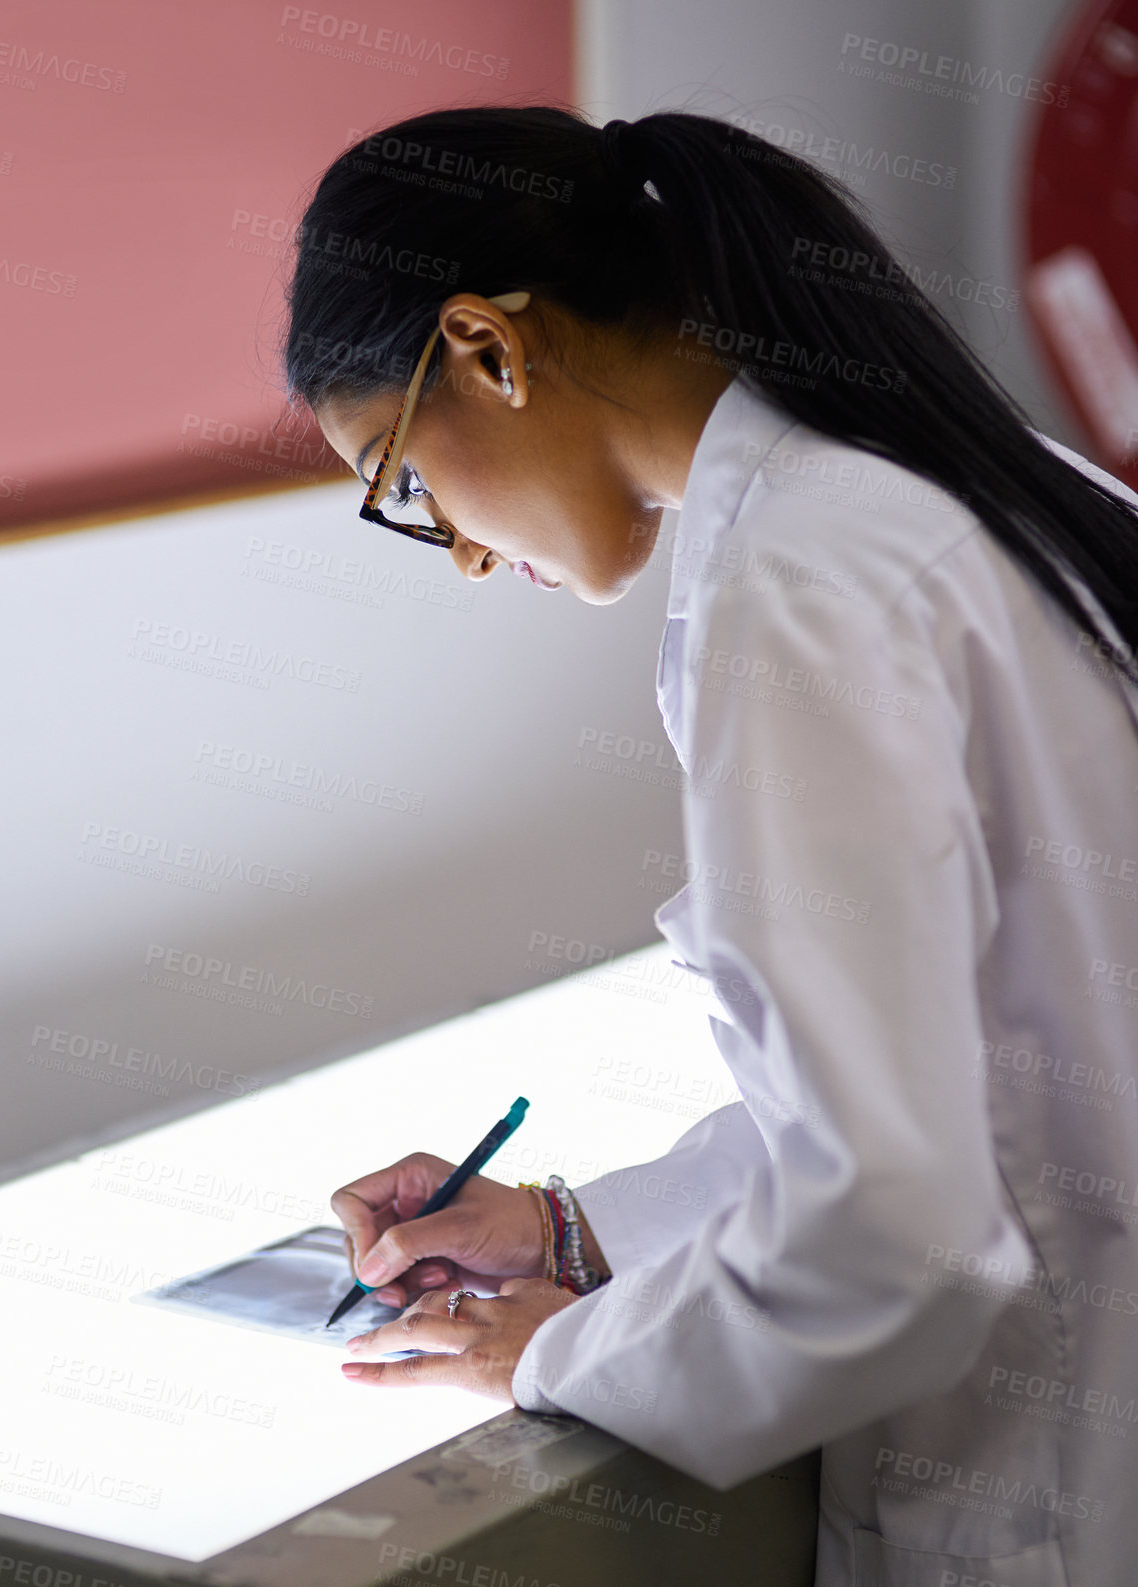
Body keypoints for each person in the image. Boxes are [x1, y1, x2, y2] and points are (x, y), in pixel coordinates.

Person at [282, 106, 1138, 1585]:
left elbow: (895, 1237)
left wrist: (561, 1355)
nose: (467, 556)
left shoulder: (805, 586)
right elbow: (971, 1088)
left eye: (405, 481)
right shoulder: (976, 494)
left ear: (488, 345)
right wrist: (578, 1231)